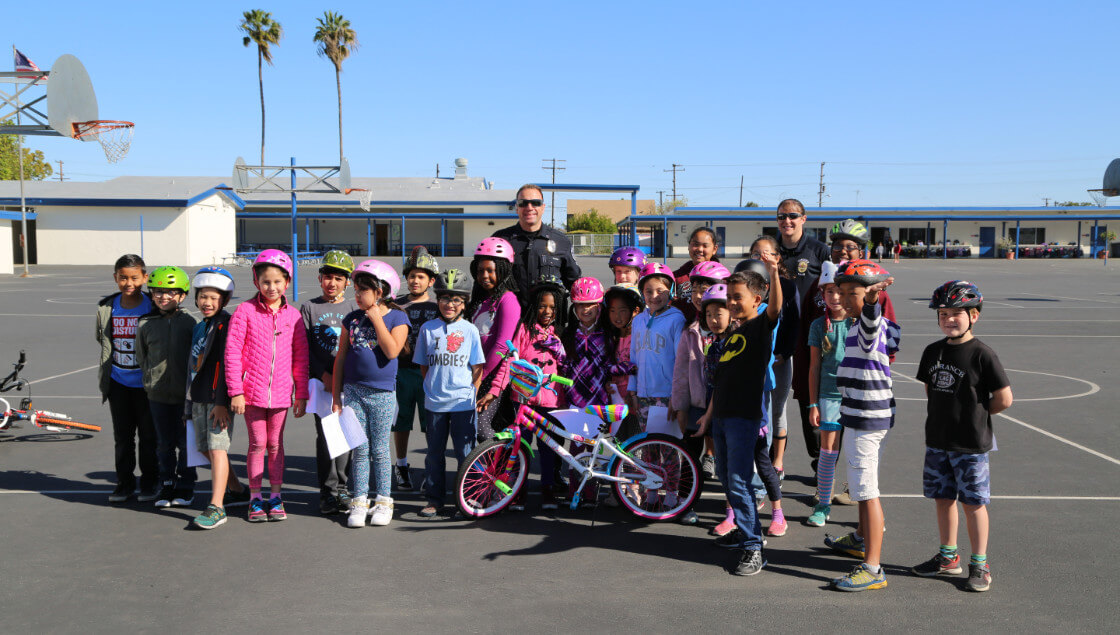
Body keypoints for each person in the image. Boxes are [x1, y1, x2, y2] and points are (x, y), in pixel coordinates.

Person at [911, 281, 1012, 593]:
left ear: (974, 316)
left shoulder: (983, 354)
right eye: (943, 314)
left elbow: (1004, 398)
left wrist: (977, 415)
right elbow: (929, 389)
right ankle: (947, 558)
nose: (949, 319)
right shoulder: (933, 351)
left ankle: (979, 564)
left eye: (957, 313)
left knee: (973, 503)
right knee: (943, 499)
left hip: (970, 444)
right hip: (938, 440)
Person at [792, 220, 896, 501]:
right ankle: (825, 487)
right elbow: (805, 327)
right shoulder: (820, 282)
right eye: (838, 246)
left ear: (862, 251)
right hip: (825, 380)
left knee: (857, 443)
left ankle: (855, 488)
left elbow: (887, 337)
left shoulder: (872, 284)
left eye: (851, 247)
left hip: (860, 384)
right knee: (825, 441)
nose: (843, 251)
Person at [695, 254, 782, 577]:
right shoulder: (731, 334)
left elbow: (775, 310)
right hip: (722, 418)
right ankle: (746, 532)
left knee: (739, 481)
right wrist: (708, 416)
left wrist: (773, 273)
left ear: (757, 300)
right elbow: (721, 381)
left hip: (744, 420)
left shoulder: (760, 327)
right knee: (727, 478)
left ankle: (753, 547)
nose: (731, 302)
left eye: (737, 297)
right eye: (729, 297)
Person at [823, 260, 900, 592]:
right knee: (861, 485)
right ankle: (860, 537)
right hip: (862, 415)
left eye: (850, 293)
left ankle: (872, 568)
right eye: (840, 292)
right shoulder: (862, 325)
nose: (842, 299)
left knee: (866, 492)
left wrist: (870, 301)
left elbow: (872, 318)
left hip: (866, 419)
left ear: (871, 295)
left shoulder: (869, 324)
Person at [225, 249, 309, 523]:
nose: (271, 287)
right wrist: (235, 390)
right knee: (257, 444)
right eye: (265, 282)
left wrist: (301, 394)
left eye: (277, 282)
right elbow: (233, 352)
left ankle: (275, 496)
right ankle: (255, 499)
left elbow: (300, 357)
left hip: (282, 395)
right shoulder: (245, 311)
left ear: (287, 282)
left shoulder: (293, 316)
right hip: (251, 394)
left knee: (275, 444)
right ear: (256, 282)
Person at [332, 260, 410, 528]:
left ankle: (384, 501)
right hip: (353, 391)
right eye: (355, 289)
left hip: (382, 393)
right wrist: (335, 396)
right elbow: (341, 356)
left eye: (363, 290)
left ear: (381, 291)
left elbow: (391, 351)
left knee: (379, 449)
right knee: (360, 449)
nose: (357, 295)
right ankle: (359, 500)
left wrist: (377, 319)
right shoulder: (351, 319)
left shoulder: (398, 317)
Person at [484, 276, 569, 510]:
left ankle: (548, 489)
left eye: (553, 307)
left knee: (548, 449)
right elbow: (509, 363)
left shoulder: (560, 334)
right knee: (519, 446)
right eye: (542, 305)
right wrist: (494, 390)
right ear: (533, 306)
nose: (547, 311)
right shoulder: (524, 330)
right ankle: (518, 491)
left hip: (551, 402)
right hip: (522, 401)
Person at [414, 269, 485, 518]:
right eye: (445, 298)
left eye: (456, 300)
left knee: (465, 454)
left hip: (463, 404)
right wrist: (433, 387)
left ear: (464, 303)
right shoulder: (427, 329)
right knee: (434, 455)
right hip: (434, 404)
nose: (450, 304)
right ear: (438, 300)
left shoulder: (470, 330)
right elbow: (424, 365)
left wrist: (472, 394)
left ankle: (468, 498)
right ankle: (434, 499)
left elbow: (478, 368)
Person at [187, 267, 250, 529]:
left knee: (217, 448)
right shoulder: (200, 326)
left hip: (217, 400)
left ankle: (217, 506)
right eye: (203, 296)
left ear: (224, 300)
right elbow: (192, 365)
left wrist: (223, 402)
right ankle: (237, 490)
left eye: (213, 297)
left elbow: (229, 364)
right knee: (203, 447)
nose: (207, 302)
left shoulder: (227, 325)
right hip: (198, 398)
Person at [671, 261, 729, 525]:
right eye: (694, 288)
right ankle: (687, 502)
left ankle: (732, 510)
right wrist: (680, 405)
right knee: (689, 457)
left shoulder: (734, 331)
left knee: (728, 460)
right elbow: (681, 374)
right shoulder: (690, 331)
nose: (697, 294)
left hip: (727, 407)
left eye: (704, 288)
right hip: (696, 405)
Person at [97, 254, 158, 504]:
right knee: (123, 438)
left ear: (145, 277)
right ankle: (124, 483)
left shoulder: (152, 306)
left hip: (146, 385)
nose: (128, 282)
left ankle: (150, 482)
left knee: (149, 437)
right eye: (123, 277)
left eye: (134, 277)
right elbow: (103, 340)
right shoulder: (107, 307)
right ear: (115, 278)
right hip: (118, 383)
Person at [300, 249, 358, 515]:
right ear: (320, 278)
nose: (332, 283)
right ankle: (328, 492)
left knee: (346, 437)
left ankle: (344, 489)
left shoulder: (353, 308)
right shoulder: (310, 307)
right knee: (325, 437)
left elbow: (359, 347)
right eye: (327, 277)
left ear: (348, 282)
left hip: (347, 383)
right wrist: (323, 374)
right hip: (321, 384)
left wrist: (343, 376)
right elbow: (305, 347)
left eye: (338, 278)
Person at [135, 266, 198, 509]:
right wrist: (151, 381)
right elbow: (143, 357)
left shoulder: (191, 323)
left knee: (185, 444)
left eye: (170, 292)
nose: (163, 297)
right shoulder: (146, 324)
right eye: (158, 292)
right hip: (158, 396)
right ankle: (167, 483)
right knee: (163, 444)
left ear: (182, 295)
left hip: (185, 397)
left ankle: (186, 485)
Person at [738, 236, 799, 481]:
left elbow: (792, 322)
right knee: (754, 418)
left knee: (776, 411)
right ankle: (754, 472)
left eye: (766, 254)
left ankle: (776, 463)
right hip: (753, 366)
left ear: (777, 258)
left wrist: (784, 352)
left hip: (778, 359)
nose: (760, 258)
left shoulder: (786, 286)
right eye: (755, 254)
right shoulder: (743, 290)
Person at [393, 246, 441, 492]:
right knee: (401, 422)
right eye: (411, 275)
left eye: (421, 276)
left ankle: (429, 468)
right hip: (400, 372)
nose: (415, 280)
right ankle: (401, 465)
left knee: (429, 424)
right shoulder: (395, 305)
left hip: (429, 374)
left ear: (431, 281)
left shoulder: (437, 307)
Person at [804, 262, 847, 528]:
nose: (834, 297)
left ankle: (867, 510)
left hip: (856, 397)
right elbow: (814, 367)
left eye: (840, 291)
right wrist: (813, 403)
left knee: (857, 453)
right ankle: (823, 504)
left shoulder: (861, 322)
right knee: (827, 451)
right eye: (829, 291)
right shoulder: (819, 326)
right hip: (829, 396)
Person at [467, 236, 522, 441]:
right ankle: (481, 471)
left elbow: (501, 344)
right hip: (475, 372)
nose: (485, 276)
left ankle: (505, 467)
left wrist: (481, 377)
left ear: (503, 270)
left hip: (492, 375)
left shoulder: (508, 300)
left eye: (491, 270)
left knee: (482, 427)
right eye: (481, 271)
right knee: (470, 425)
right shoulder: (479, 300)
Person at [561, 277, 610, 505]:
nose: (586, 309)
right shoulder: (568, 335)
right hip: (574, 399)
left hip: (598, 399)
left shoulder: (607, 336)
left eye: (591, 304)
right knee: (575, 448)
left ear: (599, 306)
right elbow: (563, 365)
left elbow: (611, 365)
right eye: (580, 305)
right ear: (574, 307)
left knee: (594, 448)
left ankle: (591, 492)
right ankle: (575, 492)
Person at [491, 184, 581, 297]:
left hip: (549, 314)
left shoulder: (561, 241)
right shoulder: (500, 240)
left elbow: (574, 283)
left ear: (543, 207)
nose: (529, 207)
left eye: (535, 203)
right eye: (523, 203)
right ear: (517, 208)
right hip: (512, 314)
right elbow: (484, 282)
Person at [629, 263, 686, 431]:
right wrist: (633, 390)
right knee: (647, 447)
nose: (654, 296)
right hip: (642, 395)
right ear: (642, 293)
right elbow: (633, 358)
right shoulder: (638, 320)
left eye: (661, 290)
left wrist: (676, 398)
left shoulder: (676, 319)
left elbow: (680, 363)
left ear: (671, 291)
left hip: (666, 395)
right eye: (648, 291)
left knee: (669, 448)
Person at [774, 199, 830, 308]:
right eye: (782, 216)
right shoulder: (771, 249)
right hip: (777, 319)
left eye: (793, 216)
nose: (787, 220)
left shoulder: (819, 249)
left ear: (803, 219)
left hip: (809, 319)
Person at [672, 226, 722, 323]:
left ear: (715, 249)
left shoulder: (721, 276)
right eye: (695, 244)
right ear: (689, 246)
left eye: (705, 246)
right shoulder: (676, 276)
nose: (699, 249)